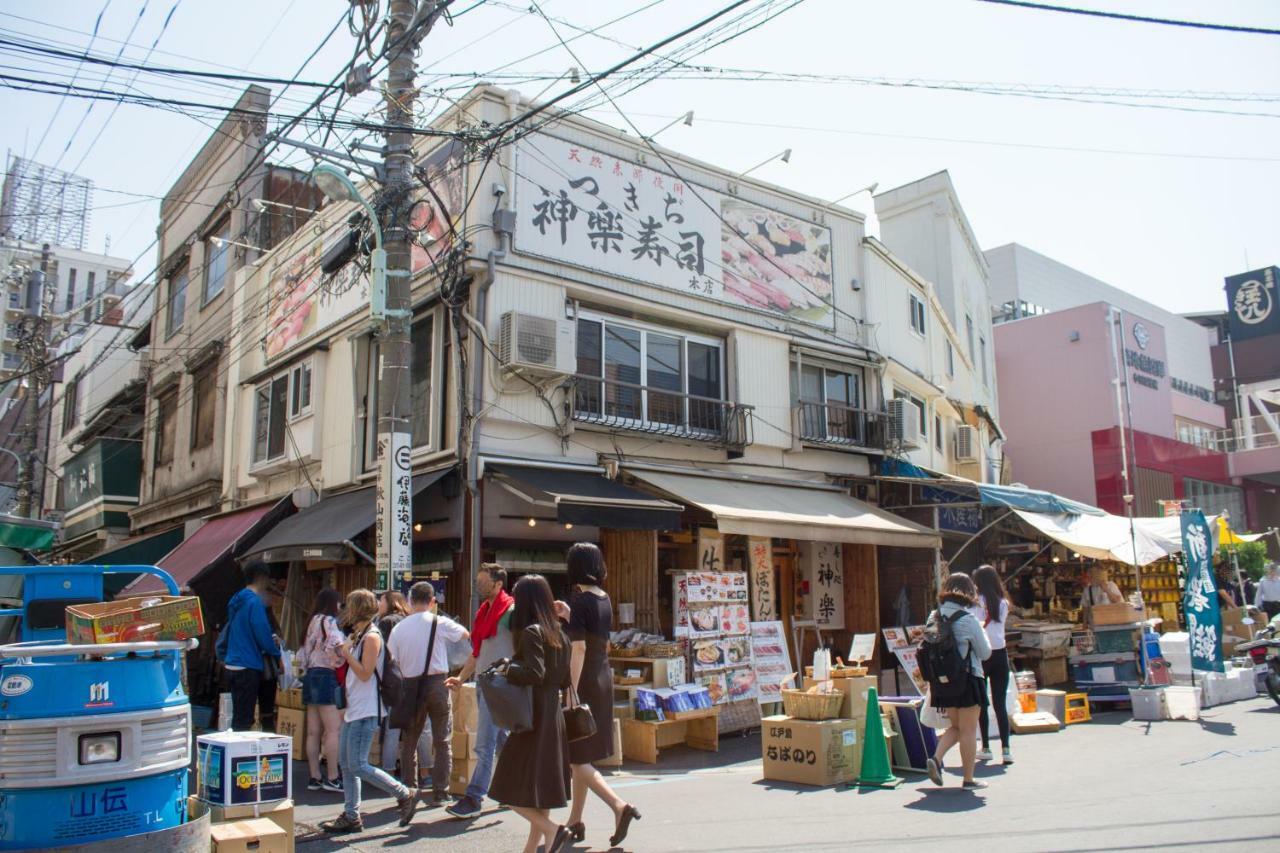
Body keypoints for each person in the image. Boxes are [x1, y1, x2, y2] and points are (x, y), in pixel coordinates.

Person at [487, 574, 574, 853]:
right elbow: (561, 679)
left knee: (505, 786)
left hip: (532, 715)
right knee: (543, 789)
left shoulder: (531, 632)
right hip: (553, 714)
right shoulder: (560, 632)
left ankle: (554, 830)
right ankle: (536, 847)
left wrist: (507, 669)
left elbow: (534, 673)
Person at [320, 589, 418, 834]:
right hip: (355, 707)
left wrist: (345, 653)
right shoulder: (359, 635)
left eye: (349, 606)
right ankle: (352, 815)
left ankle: (404, 793)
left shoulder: (372, 637)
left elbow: (365, 672)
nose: (346, 612)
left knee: (358, 764)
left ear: (356, 609)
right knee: (347, 763)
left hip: (367, 708)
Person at [562, 543, 640, 848]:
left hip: (585, 682)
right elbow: (596, 639)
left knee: (576, 758)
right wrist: (569, 615)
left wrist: (570, 690)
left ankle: (619, 807)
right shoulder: (603, 598)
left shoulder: (579, 599)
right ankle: (575, 821)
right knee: (583, 754)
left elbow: (578, 648)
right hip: (603, 676)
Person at [387, 582, 469, 805]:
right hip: (437, 683)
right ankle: (441, 792)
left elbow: (391, 659)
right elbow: (465, 635)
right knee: (443, 740)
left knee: (409, 741)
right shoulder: (439, 622)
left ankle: (408, 791)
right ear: (432, 601)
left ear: (409, 601)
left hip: (410, 686)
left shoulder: (398, 629)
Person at [446, 563, 514, 819]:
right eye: (478, 580)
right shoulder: (484, 612)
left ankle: (474, 797)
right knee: (500, 741)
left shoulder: (510, 611)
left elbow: (521, 648)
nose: (478, 585)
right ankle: (513, 787)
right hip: (486, 684)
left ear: (498, 584)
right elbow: (478, 652)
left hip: (501, 685)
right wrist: (461, 678)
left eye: (483, 581)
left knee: (484, 743)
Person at [926, 572, 993, 790]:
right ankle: (968, 779)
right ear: (969, 593)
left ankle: (936, 758)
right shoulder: (968, 619)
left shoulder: (933, 617)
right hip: (967, 679)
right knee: (968, 730)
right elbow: (984, 653)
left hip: (942, 682)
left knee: (955, 726)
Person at [215, 561, 284, 732]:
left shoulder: (236, 600)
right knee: (244, 720)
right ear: (261, 577)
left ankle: (235, 754)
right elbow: (262, 634)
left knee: (239, 716)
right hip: (248, 664)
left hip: (232, 663)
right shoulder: (254, 603)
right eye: (268, 578)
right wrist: (276, 652)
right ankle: (239, 757)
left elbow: (234, 629)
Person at [376, 591, 430, 784]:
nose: (378, 603)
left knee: (393, 727)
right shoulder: (414, 621)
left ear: (390, 602)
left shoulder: (386, 622)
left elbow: (382, 654)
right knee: (422, 728)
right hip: (421, 679)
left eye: (381, 600)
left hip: (396, 680)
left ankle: (389, 773)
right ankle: (425, 773)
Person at [298, 588, 345, 792]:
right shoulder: (329, 621)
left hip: (310, 675)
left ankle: (314, 776)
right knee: (333, 730)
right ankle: (333, 777)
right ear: (333, 603)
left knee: (313, 732)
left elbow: (303, 652)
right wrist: (342, 656)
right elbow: (336, 646)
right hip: (326, 675)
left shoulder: (311, 621)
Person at [971, 565, 1013, 766]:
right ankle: (1006, 750)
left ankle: (986, 747)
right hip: (1000, 654)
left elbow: (974, 625)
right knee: (999, 703)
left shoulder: (976, 603)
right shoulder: (1003, 603)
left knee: (982, 703)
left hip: (982, 654)